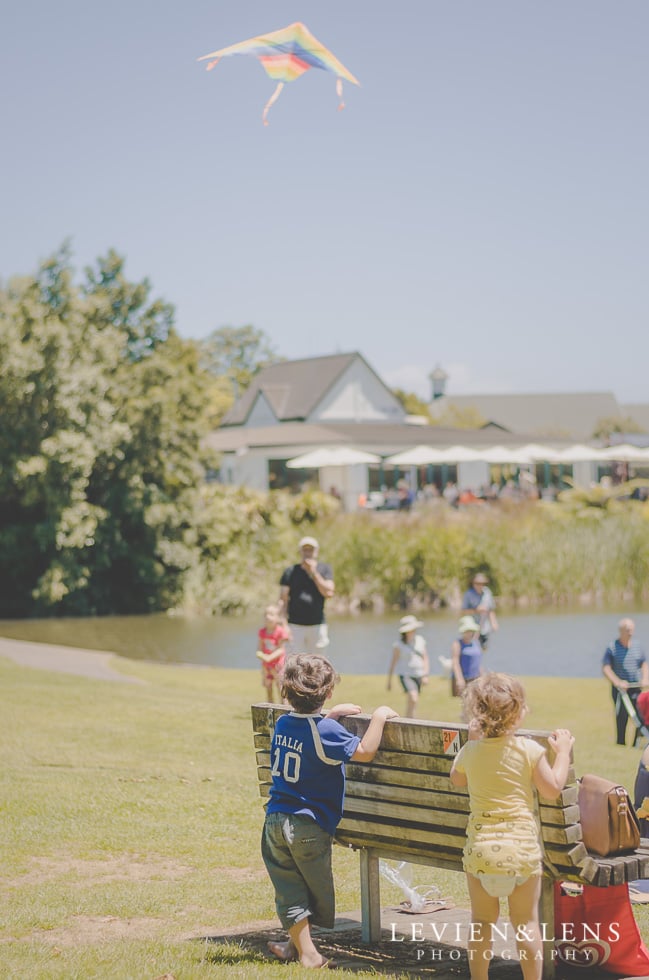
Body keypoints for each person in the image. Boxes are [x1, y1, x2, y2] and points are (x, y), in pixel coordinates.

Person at [262, 653, 398, 969]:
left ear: (286, 692)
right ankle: (309, 954)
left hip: (274, 822)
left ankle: (295, 946)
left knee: (289, 887)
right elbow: (364, 752)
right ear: (328, 692)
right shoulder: (326, 732)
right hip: (307, 826)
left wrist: (330, 716)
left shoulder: (283, 723)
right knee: (313, 887)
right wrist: (378, 717)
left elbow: (309, 736)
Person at [450, 672, 574, 980]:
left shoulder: (470, 751)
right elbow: (552, 788)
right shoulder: (529, 750)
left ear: (476, 714)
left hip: (480, 855)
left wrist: (473, 740)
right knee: (526, 924)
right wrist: (564, 753)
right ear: (518, 713)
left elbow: (456, 779)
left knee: (481, 922)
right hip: (520, 854)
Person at [279, 537, 334, 655]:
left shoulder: (324, 569)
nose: (307, 553)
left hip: (317, 625)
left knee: (318, 663)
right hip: (294, 625)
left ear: (316, 552)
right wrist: (284, 625)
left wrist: (313, 572)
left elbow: (328, 592)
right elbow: (283, 600)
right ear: (300, 551)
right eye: (305, 550)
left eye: (311, 550)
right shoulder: (290, 571)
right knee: (294, 663)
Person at [602, 618, 649, 746]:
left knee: (640, 716)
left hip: (636, 688)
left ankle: (636, 743)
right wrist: (617, 682)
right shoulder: (612, 647)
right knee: (622, 716)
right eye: (627, 630)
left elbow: (644, 664)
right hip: (620, 690)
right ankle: (620, 743)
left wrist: (645, 678)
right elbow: (606, 668)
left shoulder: (638, 646)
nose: (630, 632)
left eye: (632, 630)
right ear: (621, 631)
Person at [386, 615, 429, 718]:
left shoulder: (420, 640)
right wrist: (389, 681)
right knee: (413, 697)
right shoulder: (398, 645)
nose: (413, 631)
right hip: (406, 675)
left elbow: (425, 658)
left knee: (413, 701)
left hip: (418, 674)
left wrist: (425, 675)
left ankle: (410, 719)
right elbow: (393, 662)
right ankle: (410, 720)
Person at [256, 603, 290, 703]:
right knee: (268, 688)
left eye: (271, 614)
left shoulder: (280, 631)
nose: (267, 617)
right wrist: (260, 655)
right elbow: (259, 647)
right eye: (266, 614)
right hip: (266, 666)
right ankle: (270, 712)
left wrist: (270, 657)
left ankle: (284, 712)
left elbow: (281, 649)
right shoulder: (262, 632)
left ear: (277, 618)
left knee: (281, 689)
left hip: (278, 665)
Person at [462, 572, 499, 650]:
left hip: (484, 627)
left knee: (484, 648)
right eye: (477, 583)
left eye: (482, 584)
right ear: (473, 583)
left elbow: (491, 609)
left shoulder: (487, 592)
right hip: (472, 627)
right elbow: (464, 611)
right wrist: (476, 610)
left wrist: (494, 622)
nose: (480, 586)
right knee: (472, 648)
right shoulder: (468, 594)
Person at [451, 615, 483, 697]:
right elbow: (455, 662)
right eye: (467, 631)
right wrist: (459, 679)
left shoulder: (476, 643)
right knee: (466, 703)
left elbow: (477, 661)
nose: (469, 633)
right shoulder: (457, 644)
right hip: (463, 678)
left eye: (471, 630)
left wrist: (483, 676)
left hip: (475, 678)